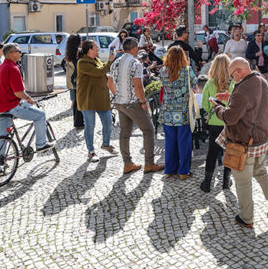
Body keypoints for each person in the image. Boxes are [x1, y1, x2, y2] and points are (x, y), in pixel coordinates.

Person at [213, 58, 268, 228]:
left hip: (245, 142)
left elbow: (230, 117)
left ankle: (246, 217)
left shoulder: (243, 89)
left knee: (243, 181)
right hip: (261, 138)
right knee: (261, 172)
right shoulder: (260, 80)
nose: (232, 79)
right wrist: (231, 98)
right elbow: (252, 104)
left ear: (238, 71)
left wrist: (217, 108)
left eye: (231, 76)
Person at [0, 43, 54, 176]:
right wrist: (29, 99)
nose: (20, 54)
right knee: (40, 115)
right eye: (18, 51)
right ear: (12, 53)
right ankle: (41, 145)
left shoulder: (0, 67)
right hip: (10, 105)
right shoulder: (13, 68)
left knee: (2, 138)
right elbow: (18, 92)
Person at [108, 37, 160, 174]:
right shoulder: (135, 63)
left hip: (120, 103)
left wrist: (118, 95)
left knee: (124, 134)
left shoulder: (115, 63)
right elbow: (138, 85)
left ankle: (127, 163)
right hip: (133, 103)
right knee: (148, 131)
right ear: (135, 48)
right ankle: (149, 163)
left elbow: (109, 83)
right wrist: (143, 101)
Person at [159, 46, 197, 179]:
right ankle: (183, 171)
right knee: (184, 141)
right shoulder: (187, 71)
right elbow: (195, 83)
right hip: (183, 112)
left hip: (167, 111)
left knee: (170, 142)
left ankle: (169, 170)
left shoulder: (163, 71)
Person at [77, 40, 117, 162]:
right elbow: (99, 72)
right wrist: (110, 61)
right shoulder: (82, 63)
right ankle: (91, 151)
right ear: (90, 50)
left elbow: (103, 71)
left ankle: (105, 144)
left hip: (101, 98)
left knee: (108, 122)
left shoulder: (96, 60)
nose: (98, 49)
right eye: (96, 47)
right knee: (90, 126)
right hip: (88, 99)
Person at [200, 54, 234, 192]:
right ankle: (226, 181)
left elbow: (205, 105)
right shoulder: (233, 83)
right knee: (229, 152)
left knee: (212, 153)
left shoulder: (209, 83)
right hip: (229, 122)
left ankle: (207, 183)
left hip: (215, 121)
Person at [64, 34, 84, 129]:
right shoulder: (78, 53)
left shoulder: (68, 52)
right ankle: (79, 123)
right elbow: (79, 66)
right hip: (77, 80)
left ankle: (77, 122)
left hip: (71, 80)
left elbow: (62, 64)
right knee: (79, 102)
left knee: (76, 102)